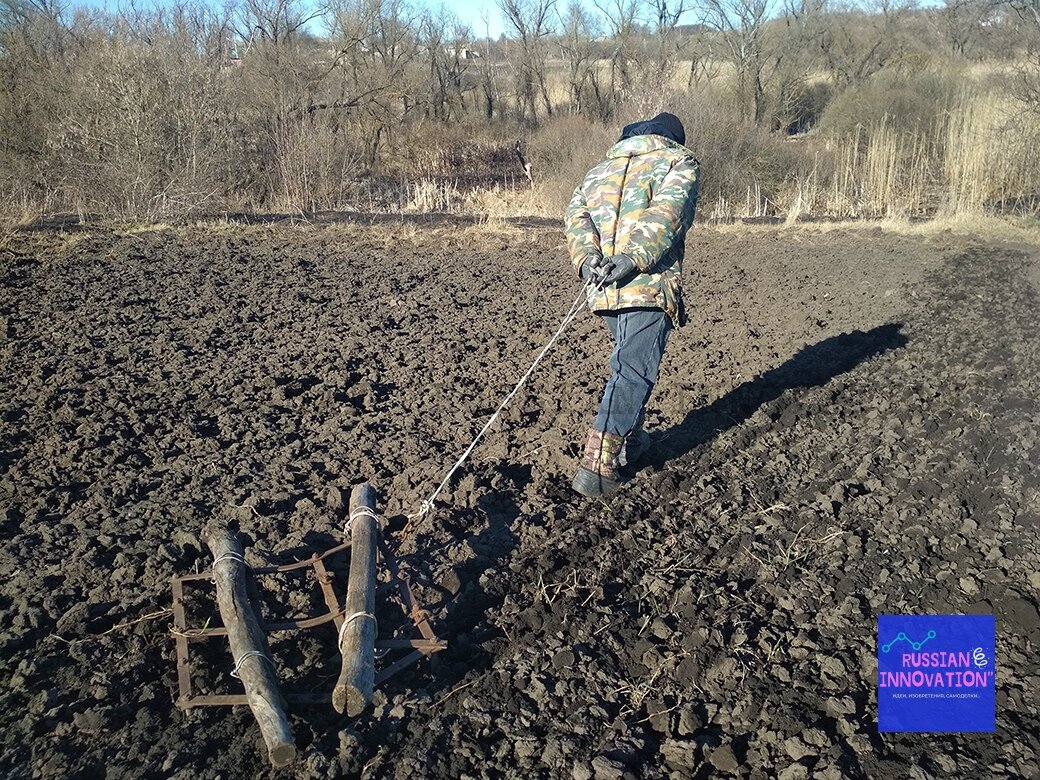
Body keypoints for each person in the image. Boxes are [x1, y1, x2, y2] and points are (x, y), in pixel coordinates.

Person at [565, 111, 700, 497]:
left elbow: (577, 218)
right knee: (633, 372)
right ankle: (598, 466)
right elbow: (668, 214)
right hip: (647, 284)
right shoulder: (679, 161)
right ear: (673, 137)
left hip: (604, 289)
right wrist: (633, 258)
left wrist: (588, 260)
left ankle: (632, 442)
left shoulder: (597, 172)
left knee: (628, 365)